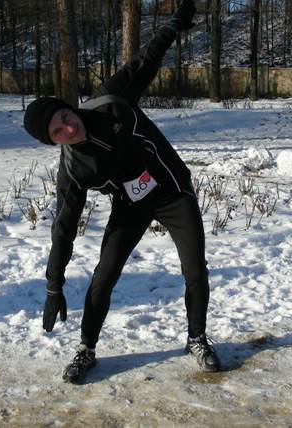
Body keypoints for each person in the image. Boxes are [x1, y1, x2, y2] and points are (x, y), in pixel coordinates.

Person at [23, 0, 221, 384]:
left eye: (64, 117)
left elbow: (146, 60)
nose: (68, 128)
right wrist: (53, 285)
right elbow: (63, 227)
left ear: (68, 108)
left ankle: (196, 338)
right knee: (104, 274)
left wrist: (174, 25)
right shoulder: (73, 169)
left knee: (195, 267)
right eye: (58, 132)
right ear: (54, 142)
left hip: (171, 190)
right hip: (131, 203)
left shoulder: (110, 102)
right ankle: (86, 349)